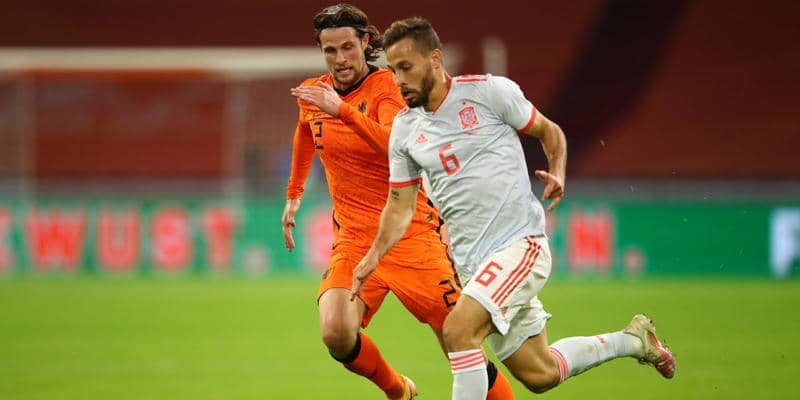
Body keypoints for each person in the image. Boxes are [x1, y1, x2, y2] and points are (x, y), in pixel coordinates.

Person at [351, 17, 676, 399]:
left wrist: (557, 170)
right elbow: (400, 205)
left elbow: (549, 131)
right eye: (393, 70)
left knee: (458, 330)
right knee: (540, 373)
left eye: (406, 67)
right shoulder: (405, 130)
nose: (398, 80)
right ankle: (634, 341)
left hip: (520, 245)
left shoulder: (488, 92)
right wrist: (374, 255)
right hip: (474, 266)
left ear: (435, 59)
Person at [283, 5, 515, 399]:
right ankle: (398, 390)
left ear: (365, 43)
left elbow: (396, 145)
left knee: (459, 342)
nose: (340, 59)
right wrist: (294, 195)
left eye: (347, 47)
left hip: (412, 235)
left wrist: (342, 111)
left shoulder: (387, 88)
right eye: (330, 50)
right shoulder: (315, 93)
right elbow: (306, 131)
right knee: (336, 331)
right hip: (355, 240)